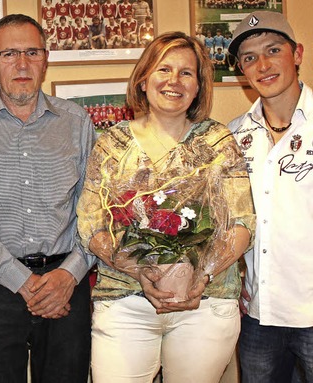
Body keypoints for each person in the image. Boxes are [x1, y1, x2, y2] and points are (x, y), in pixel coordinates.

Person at [77, 31, 255, 382]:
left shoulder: (217, 140)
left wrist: (199, 274)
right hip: (125, 301)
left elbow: (242, 222)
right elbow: (90, 223)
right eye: (164, 69)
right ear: (143, 79)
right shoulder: (113, 143)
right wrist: (140, 271)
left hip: (205, 303)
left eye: (186, 73)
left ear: (199, 86)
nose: (174, 81)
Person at [0, 14, 95, 383]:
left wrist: (68, 274)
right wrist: (22, 281)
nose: (22, 64)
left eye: (31, 52)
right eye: (9, 53)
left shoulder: (76, 122)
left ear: (46, 59)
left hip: (65, 285)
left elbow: (95, 212)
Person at [227, 11, 313, 383]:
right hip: (259, 315)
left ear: (297, 54)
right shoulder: (232, 136)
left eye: (273, 50)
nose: (262, 65)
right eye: (249, 57)